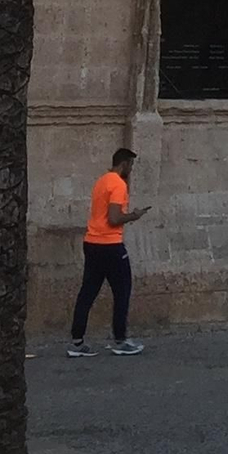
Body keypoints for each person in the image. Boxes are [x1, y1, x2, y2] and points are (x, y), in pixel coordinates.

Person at [69, 146, 147, 357]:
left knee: (88, 292)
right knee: (122, 290)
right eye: (131, 165)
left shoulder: (101, 182)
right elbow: (113, 218)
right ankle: (120, 340)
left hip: (92, 243)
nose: (131, 169)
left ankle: (76, 342)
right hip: (110, 245)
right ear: (124, 164)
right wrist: (133, 215)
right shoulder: (118, 185)